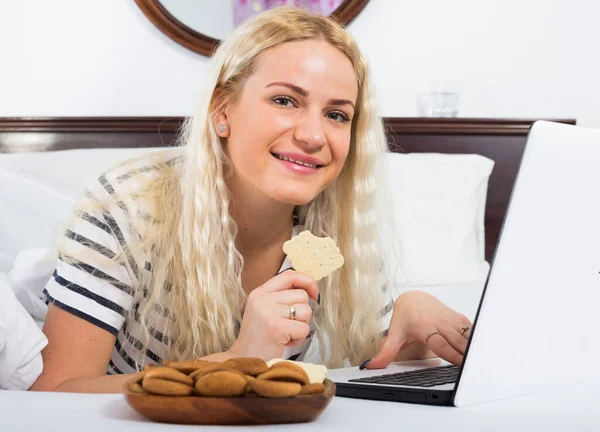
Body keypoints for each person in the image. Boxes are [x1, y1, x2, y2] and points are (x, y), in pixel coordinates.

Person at [30, 7, 472, 394]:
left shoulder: (336, 229)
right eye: (285, 100)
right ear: (222, 112)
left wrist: (411, 329)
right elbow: (55, 391)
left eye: (337, 115)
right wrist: (241, 360)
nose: (313, 135)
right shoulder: (127, 205)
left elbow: (366, 369)